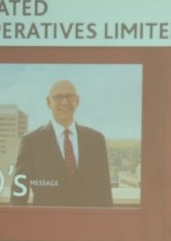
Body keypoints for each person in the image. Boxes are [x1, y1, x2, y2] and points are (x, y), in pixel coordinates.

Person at [10, 79, 113, 207]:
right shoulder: (31, 141)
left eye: (69, 96)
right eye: (58, 97)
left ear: (77, 101)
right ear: (48, 102)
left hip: (87, 224)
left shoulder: (96, 140)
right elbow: (19, 192)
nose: (64, 102)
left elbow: (104, 193)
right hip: (48, 224)